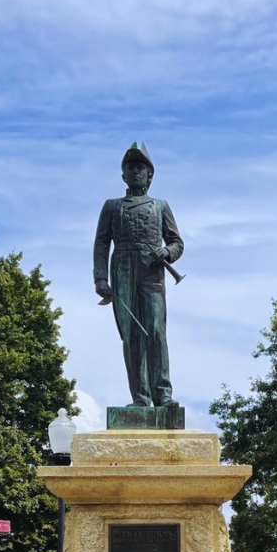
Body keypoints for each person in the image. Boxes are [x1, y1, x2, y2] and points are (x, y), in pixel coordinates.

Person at [93, 142, 183, 407]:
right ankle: (141, 397)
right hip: (121, 267)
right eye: (130, 168)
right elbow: (101, 242)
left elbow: (177, 242)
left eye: (140, 168)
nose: (134, 172)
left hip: (152, 271)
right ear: (123, 175)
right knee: (132, 334)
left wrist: (167, 253)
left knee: (156, 330)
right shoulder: (111, 206)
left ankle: (162, 394)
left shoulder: (161, 206)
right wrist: (100, 277)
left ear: (149, 175)